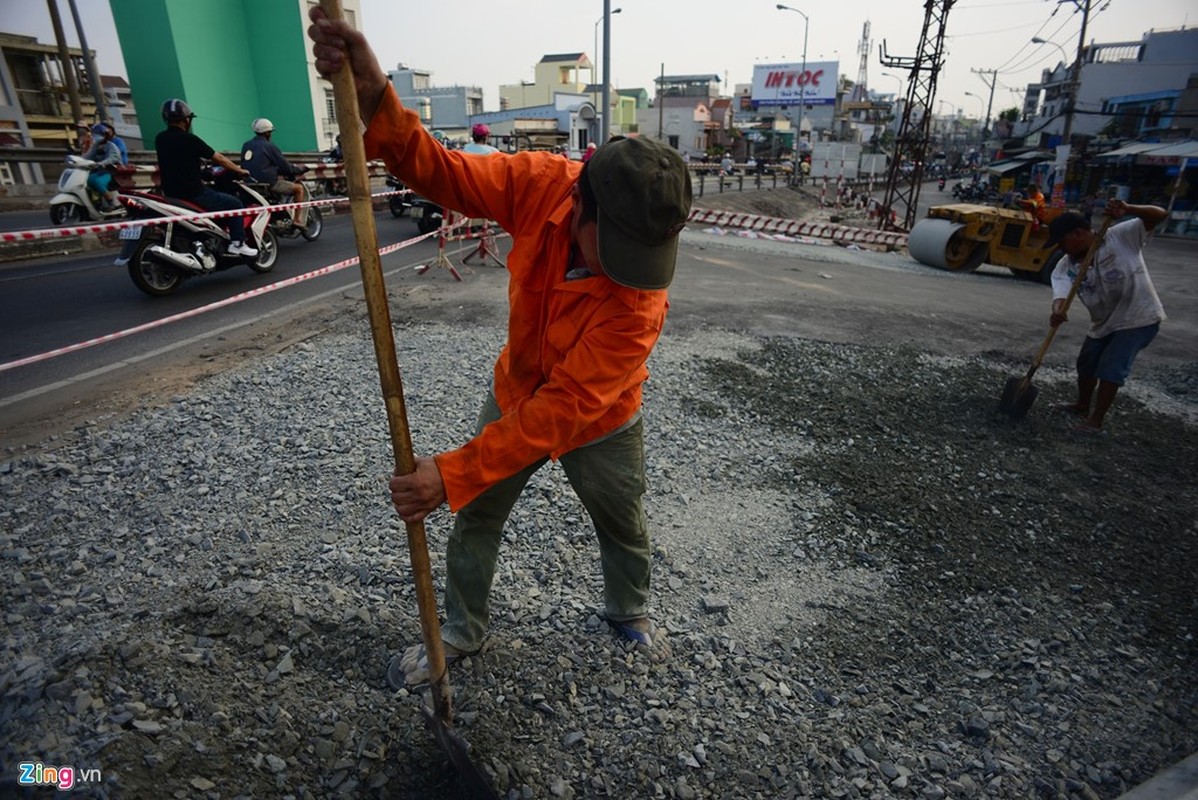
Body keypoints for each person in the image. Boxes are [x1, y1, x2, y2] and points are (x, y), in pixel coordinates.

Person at [307, 6, 693, 685]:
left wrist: (447, 472)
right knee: (476, 512)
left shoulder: (638, 303)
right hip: (517, 389)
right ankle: (459, 633)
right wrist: (374, 96)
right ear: (583, 207)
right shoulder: (543, 184)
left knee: (621, 518)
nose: (632, 270)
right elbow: (444, 173)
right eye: (622, 248)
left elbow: (569, 406)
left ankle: (628, 608)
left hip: (601, 417)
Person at [1045, 200, 1169, 434]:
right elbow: (1060, 293)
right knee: (1087, 363)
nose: (1060, 248)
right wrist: (1058, 310)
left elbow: (1160, 214)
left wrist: (1129, 209)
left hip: (1138, 315)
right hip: (1103, 322)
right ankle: (1082, 405)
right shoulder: (1065, 266)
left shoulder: (1120, 235)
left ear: (1078, 233)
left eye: (1062, 242)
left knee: (1111, 366)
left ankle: (1096, 422)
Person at [155, 98, 258, 257]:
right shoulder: (190, 139)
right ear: (186, 119)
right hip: (193, 192)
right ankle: (237, 243)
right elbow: (219, 159)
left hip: (170, 193)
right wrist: (239, 170)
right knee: (234, 203)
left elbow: (178, 162)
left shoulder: (160, 139)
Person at [241, 118, 309, 230]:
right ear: (267, 132)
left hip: (250, 184)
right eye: (270, 132)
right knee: (299, 189)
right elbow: (285, 166)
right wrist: (299, 169)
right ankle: (297, 220)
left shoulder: (246, 145)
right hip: (269, 184)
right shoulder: (270, 146)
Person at [82, 123, 122, 211]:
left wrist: (102, 163)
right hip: (100, 171)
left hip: (111, 171)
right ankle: (96, 201)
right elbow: (89, 156)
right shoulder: (96, 145)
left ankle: (111, 202)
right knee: (87, 180)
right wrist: (78, 160)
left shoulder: (111, 145)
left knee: (98, 182)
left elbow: (114, 157)